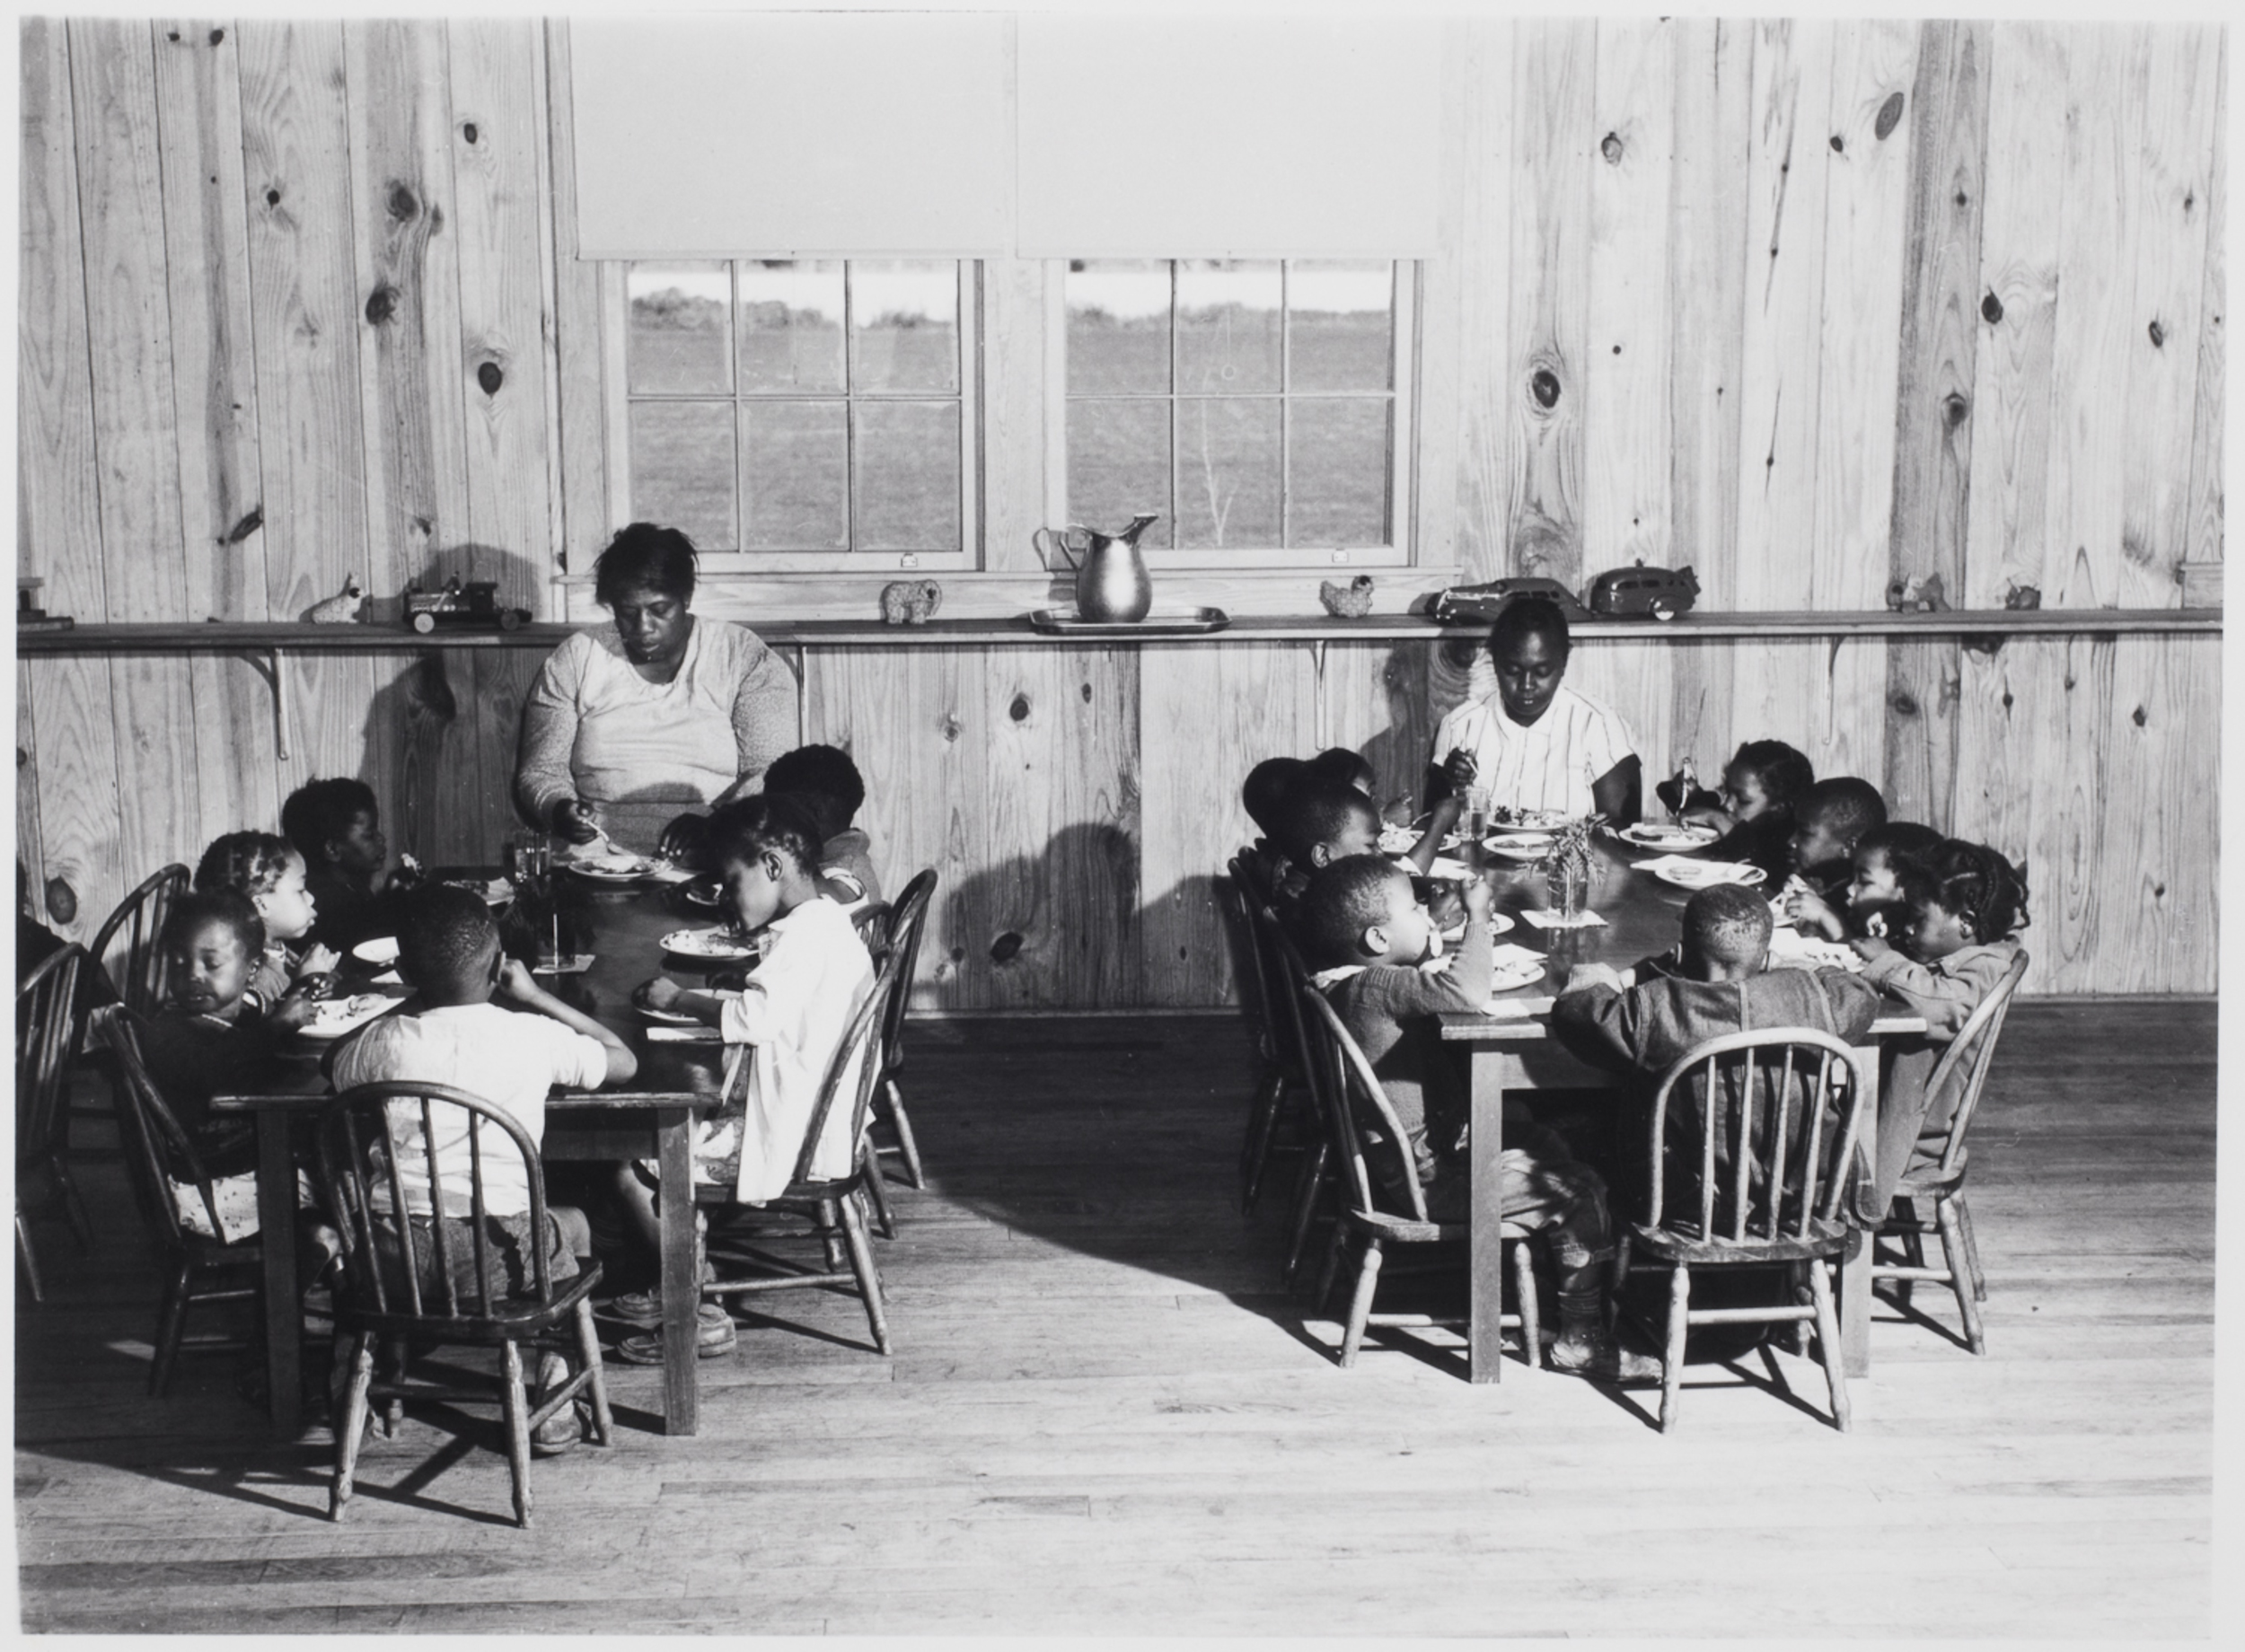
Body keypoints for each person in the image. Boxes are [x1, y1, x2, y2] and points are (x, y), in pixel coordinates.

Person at [1297, 856, 1656, 1380]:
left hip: (1404, 1160)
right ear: (1377, 940)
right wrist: (1479, 919)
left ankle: (1555, 1290)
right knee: (1580, 1189)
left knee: (1547, 1139)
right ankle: (1581, 1337)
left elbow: (1429, 965)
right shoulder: (1379, 986)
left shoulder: (1352, 983)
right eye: (1414, 908)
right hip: (1431, 1179)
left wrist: (1433, 926)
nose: (1425, 912)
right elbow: (1468, 991)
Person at [330, 886, 637, 1451]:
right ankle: (552, 1385)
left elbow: (336, 1068)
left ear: (402, 970)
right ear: (499, 966)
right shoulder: (530, 1035)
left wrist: (409, 995)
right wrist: (539, 996)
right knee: (573, 1226)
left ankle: (353, 1373)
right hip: (502, 1262)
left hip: (392, 1264)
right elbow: (622, 1060)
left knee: (376, 1216)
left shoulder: (384, 1041)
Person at [616, 795, 877, 1362]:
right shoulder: (825, 921)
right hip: (823, 1120)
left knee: (630, 1163)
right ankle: (680, 1278)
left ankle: (695, 1302)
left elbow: (753, 1018)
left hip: (793, 1137)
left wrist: (683, 997)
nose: (729, 900)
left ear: (773, 866)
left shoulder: (800, 938)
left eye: (733, 883)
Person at [1552, 883, 1883, 1217]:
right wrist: (1784, 966)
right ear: (1765, 958)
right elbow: (1859, 992)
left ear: (1681, 954)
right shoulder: (1815, 1001)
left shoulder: (1653, 1008)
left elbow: (1576, 1009)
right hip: (1803, 1201)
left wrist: (1621, 976)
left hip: (1687, 1202)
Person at [514, 523, 798, 857]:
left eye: (660, 610)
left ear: (686, 597)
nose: (643, 628)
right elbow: (541, 770)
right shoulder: (577, 658)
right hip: (597, 855)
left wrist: (720, 825)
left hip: (719, 848)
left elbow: (771, 772)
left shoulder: (743, 656)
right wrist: (559, 808)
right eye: (628, 612)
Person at [1846, 840, 2029, 1219]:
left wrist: (1886, 962)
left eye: (1917, 917)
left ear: (1965, 922)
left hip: (1909, 1139)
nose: (1909, 926)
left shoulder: (1986, 967)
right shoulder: (1964, 951)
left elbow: (1942, 1006)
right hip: (1892, 1116)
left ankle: (1815, 1232)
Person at [131, 892, 322, 1233]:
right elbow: (213, 1067)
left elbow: (253, 1049)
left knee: (343, 1170)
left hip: (252, 1158)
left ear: (252, 969)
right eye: (178, 962)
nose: (192, 975)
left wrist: (295, 999)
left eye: (211, 963)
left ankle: (320, 1248)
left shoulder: (250, 1007)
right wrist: (277, 1025)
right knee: (334, 1187)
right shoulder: (167, 1032)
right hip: (213, 1185)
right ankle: (305, 1260)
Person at [1426, 596, 1641, 823]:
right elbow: (1432, 833)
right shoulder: (1461, 725)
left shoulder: (1599, 726)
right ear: (1495, 661)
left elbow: (1623, 834)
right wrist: (1452, 786)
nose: (1526, 684)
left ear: (1564, 662)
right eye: (1513, 670)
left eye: (1542, 671)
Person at [671, 743, 883, 907]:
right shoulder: (840, 858)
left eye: (779, 812)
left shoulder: (840, 876)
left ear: (815, 812)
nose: (772, 820)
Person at [193, 831, 342, 1004]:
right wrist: (303, 983)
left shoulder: (279, 950)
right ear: (261, 906)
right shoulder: (255, 977)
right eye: (300, 890)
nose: (311, 898)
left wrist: (316, 983)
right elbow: (273, 1026)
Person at [280, 778, 415, 953]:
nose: (381, 838)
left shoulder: (350, 883)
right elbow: (366, 942)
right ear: (333, 849)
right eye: (369, 835)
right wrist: (394, 900)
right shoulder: (324, 901)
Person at [1786, 821, 1945, 943]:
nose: (1850, 889)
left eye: (1864, 882)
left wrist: (1828, 917)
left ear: (1909, 893)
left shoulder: (1912, 942)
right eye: (1852, 877)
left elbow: (1870, 970)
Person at [1681, 740, 1816, 883]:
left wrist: (1718, 820)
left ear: (1780, 808)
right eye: (1727, 792)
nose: (1727, 805)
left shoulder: (1787, 845)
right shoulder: (1750, 821)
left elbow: (1757, 864)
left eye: (1743, 800)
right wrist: (1694, 794)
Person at [1781, 777, 1888, 906]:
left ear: (1848, 847)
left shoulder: (1852, 904)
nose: (1790, 841)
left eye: (1804, 833)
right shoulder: (1813, 885)